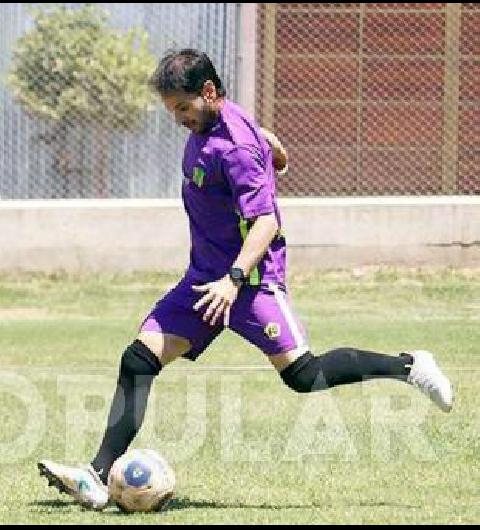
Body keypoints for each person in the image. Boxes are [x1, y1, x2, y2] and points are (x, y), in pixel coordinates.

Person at [37, 48, 453, 510]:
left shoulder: (232, 145)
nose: (178, 118)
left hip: (249, 281)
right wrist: (272, 150)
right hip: (205, 280)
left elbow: (266, 222)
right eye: (171, 109)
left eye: (182, 107)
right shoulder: (221, 124)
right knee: (139, 359)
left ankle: (410, 365)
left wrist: (234, 279)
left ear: (209, 92)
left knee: (304, 375)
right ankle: (97, 475)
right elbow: (266, 146)